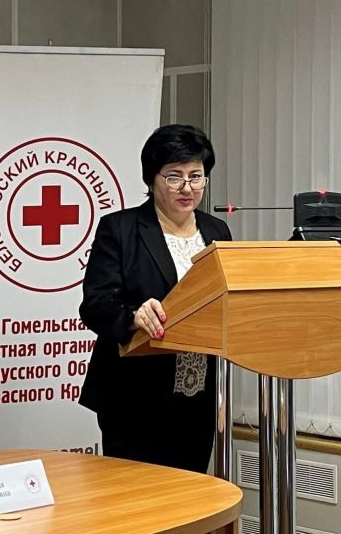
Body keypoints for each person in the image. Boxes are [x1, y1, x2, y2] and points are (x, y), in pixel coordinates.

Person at [78, 124, 232, 473]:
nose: (187, 188)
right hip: (135, 397)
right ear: (152, 178)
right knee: (139, 498)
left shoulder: (216, 231)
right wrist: (133, 315)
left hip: (199, 396)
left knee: (192, 493)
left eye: (196, 176)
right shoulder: (120, 228)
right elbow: (96, 304)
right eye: (174, 177)